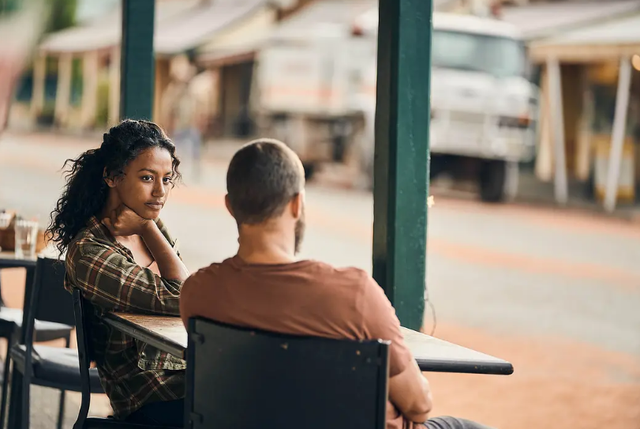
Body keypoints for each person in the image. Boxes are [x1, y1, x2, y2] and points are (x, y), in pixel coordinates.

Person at [179, 138, 494, 429]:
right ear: (297, 204)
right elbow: (419, 404)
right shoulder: (354, 294)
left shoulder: (197, 293)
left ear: (230, 206)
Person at [47, 119, 188, 427]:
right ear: (112, 176)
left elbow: (186, 291)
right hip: (149, 397)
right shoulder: (90, 252)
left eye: (167, 179)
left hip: (184, 380)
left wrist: (148, 229)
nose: (160, 191)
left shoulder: (146, 227)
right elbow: (185, 297)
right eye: (148, 177)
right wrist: (148, 227)